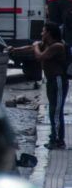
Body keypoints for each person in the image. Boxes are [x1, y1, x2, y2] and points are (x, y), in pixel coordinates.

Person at [9, 21, 68, 149]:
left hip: (58, 81)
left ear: (49, 33)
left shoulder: (58, 46)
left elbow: (40, 56)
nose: (41, 33)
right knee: (53, 111)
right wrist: (15, 49)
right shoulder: (46, 44)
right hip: (51, 81)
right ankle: (54, 138)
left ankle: (58, 141)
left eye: (43, 31)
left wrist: (36, 46)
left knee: (56, 111)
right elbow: (30, 48)